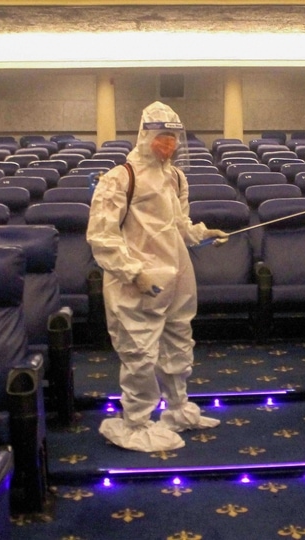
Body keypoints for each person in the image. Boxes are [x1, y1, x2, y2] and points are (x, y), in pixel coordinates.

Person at [86, 101, 228, 452]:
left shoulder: (175, 176)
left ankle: (178, 408)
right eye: (163, 138)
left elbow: (177, 224)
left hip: (178, 274)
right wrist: (133, 272)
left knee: (179, 340)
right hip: (138, 282)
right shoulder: (120, 177)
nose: (170, 146)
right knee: (140, 352)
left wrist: (202, 233)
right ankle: (135, 423)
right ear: (146, 136)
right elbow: (101, 235)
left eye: (174, 139)